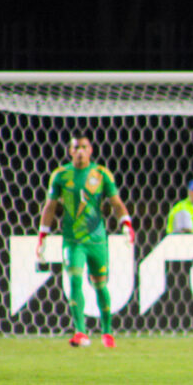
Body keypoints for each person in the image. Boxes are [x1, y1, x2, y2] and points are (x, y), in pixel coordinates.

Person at [36, 131, 135, 348]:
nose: (80, 151)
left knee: (100, 285)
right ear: (70, 151)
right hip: (73, 240)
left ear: (90, 150)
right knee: (75, 281)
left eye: (84, 147)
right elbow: (50, 206)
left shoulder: (101, 174)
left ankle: (107, 333)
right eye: (76, 148)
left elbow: (116, 203)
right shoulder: (60, 175)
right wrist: (42, 234)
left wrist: (126, 223)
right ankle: (80, 332)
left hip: (97, 240)